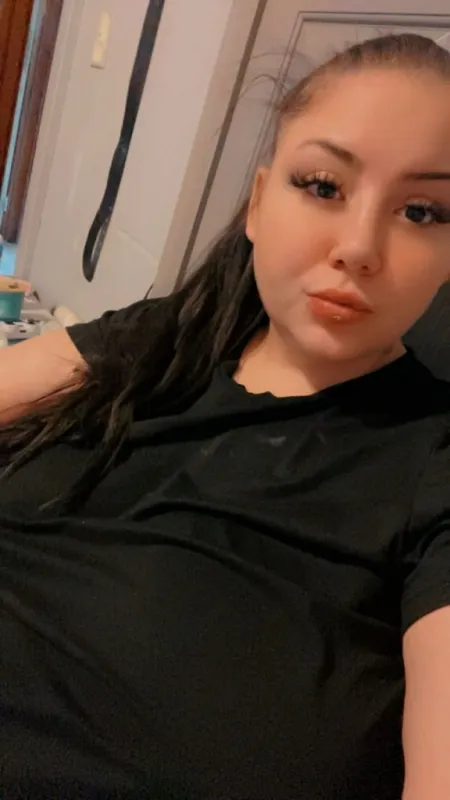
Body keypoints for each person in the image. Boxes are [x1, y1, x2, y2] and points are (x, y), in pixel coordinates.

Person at [2, 32, 450, 800]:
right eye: (323, 186)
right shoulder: (167, 336)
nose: (358, 247)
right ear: (258, 202)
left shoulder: (433, 459)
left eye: (422, 210)